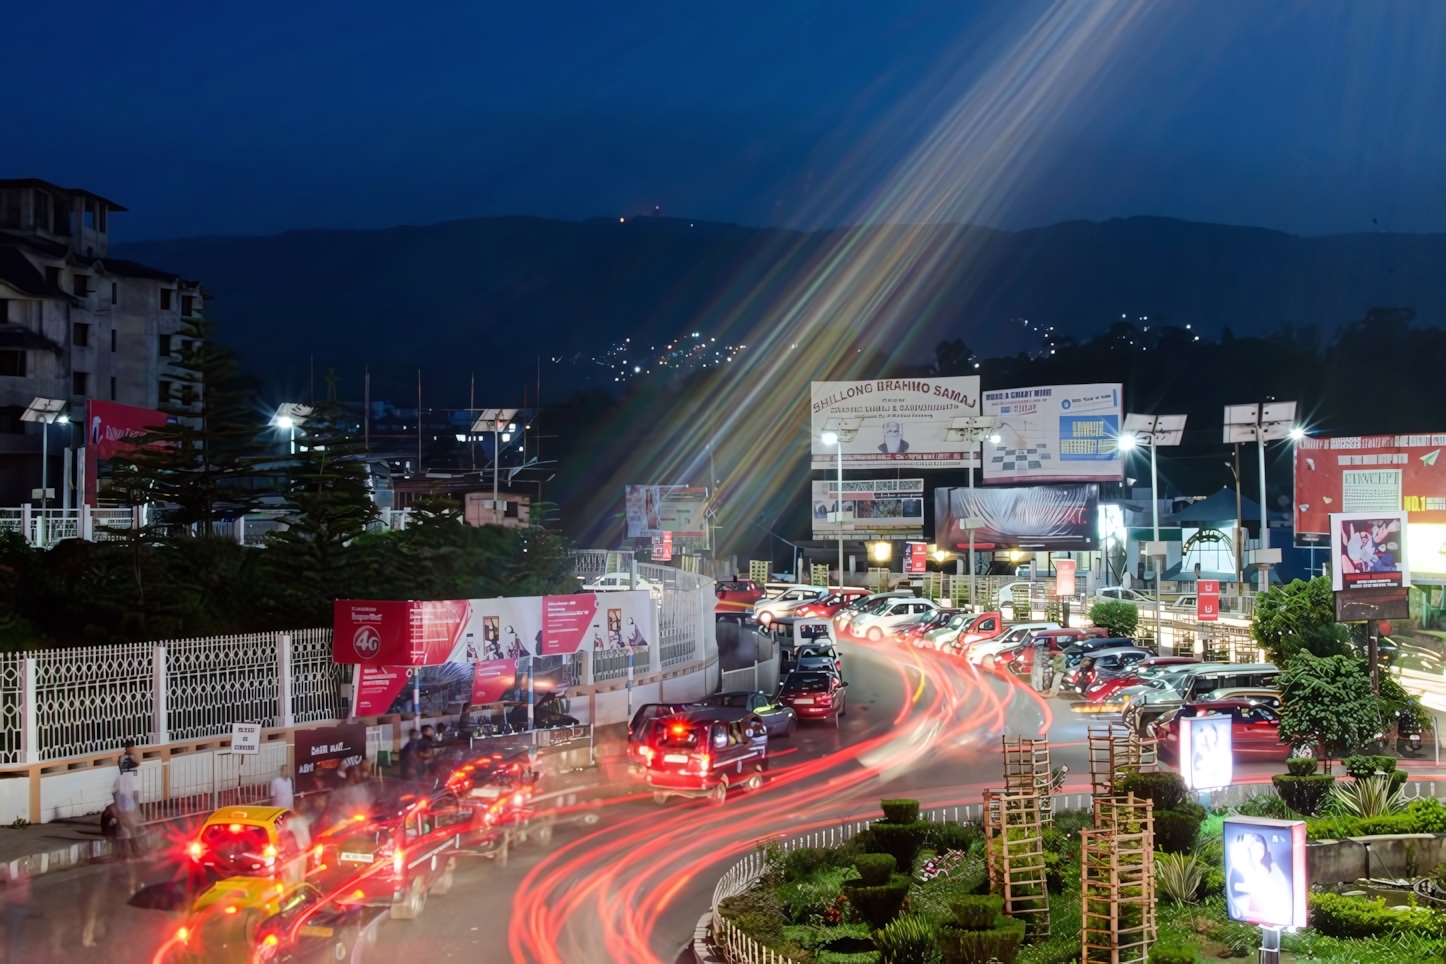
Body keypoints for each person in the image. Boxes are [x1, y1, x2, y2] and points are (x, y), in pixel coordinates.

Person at [1228, 831, 1291, 924]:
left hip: (1269, 905)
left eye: (1261, 849)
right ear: (1250, 849)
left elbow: (1278, 886)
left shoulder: (1271, 865)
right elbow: (1235, 886)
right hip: (1254, 906)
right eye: (1256, 848)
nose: (1259, 852)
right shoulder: (1243, 864)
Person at [113, 745, 142, 859]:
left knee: (126, 831)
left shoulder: (121, 776)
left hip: (123, 806)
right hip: (126, 807)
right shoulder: (128, 774)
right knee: (131, 831)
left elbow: (117, 793)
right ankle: (134, 852)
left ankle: (129, 853)